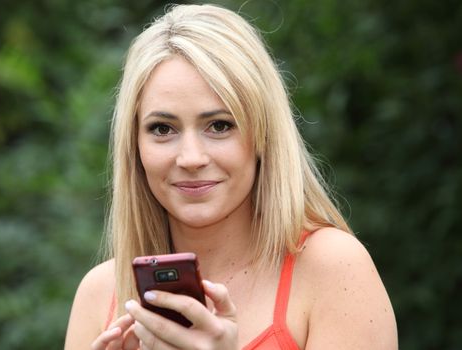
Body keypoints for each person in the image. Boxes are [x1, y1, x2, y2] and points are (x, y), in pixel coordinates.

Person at [65, 4, 398, 349]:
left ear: (263, 134)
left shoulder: (332, 269)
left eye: (220, 125)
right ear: (134, 145)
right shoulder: (99, 295)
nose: (191, 158)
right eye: (162, 128)